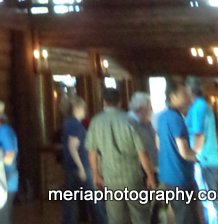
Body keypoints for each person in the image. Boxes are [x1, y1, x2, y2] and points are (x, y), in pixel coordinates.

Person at [85, 87, 155, 224]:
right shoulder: (130, 121)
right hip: (132, 177)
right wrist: (150, 175)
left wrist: (95, 174)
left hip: (110, 179)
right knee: (140, 216)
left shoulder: (95, 122)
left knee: (116, 219)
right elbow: (142, 152)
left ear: (104, 102)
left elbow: (92, 152)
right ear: (120, 102)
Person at [156, 79, 197, 224]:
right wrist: (201, 157)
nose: (188, 97)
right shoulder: (176, 119)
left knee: (181, 215)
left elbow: (158, 144)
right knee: (186, 219)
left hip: (167, 176)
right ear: (173, 97)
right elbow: (184, 152)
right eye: (184, 94)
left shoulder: (162, 117)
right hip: (180, 177)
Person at [61, 96, 105, 224]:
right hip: (81, 167)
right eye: (83, 108)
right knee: (95, 201)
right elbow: (72, 147)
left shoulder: (68, 123)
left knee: (71, 203)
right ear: (76, 108)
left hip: (71, 167)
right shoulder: (74, 124)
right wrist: (81, 168)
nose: (85, 110)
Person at [185, 77, 218, 224]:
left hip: (204, 160)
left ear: (189, 90)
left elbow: (198, 135)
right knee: (208, 199)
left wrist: (192, 155)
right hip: (207, 159)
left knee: (209, 200)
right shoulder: (202, 105)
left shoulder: (198, 107)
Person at [127, 93, 158, 224]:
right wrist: (150, 175)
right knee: (144, 212)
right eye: (150, 108)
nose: (152, 111)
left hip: (150, 170)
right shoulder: (132, 125)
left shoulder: (146, 123)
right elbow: (142, 152)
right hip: (142, 173)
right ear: (141, 109)